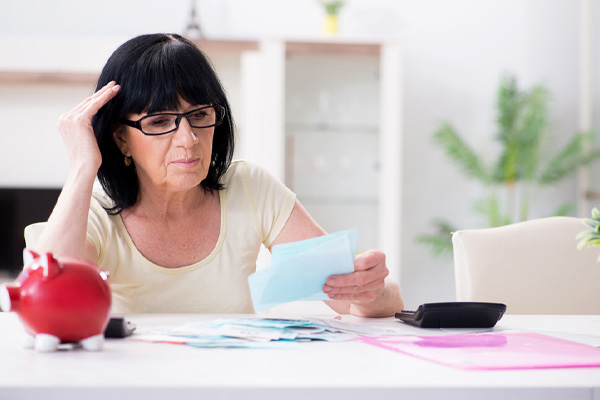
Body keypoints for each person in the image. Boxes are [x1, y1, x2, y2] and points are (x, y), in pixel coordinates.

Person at [31, 33, 404, 317]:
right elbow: (44, 297)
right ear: (121, 139)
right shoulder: (97, 213)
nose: (188, 139)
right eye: (160, 122)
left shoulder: (250, 189)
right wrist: (83, 166)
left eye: (200, 115)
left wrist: (367, 288)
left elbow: (373, 300)